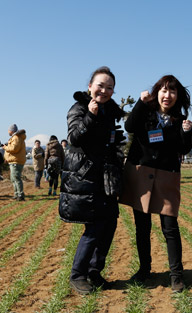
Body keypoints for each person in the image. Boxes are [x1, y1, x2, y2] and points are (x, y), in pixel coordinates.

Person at [119, 75, 192, 292]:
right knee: (142, 227)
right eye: (163, 90)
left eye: (172, 91)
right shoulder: (145, 113)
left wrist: (187, 133)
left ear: (177, 96)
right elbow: (130, 126)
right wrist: (140, 103)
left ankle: (176, 275)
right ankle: (144, 270)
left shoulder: (180, 120)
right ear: (156, 92)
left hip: (167, 176)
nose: (167, 95)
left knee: (170, 227)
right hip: (141, 174)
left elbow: (184, 149)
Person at [59, 66, 125, 295]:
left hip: (105, 177)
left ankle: (95, 271)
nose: (104, 90)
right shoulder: (78, 108)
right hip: (85, 177)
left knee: (110, 224)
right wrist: (90, 115)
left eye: (109, 88)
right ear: (90, 86)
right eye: (100, 85)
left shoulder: (110, 112)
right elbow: (74, 137)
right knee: (94, 227)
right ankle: (78, 275)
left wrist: (115, 141)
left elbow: (104, 143)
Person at [2, 124, 27, 200]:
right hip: (14, 161)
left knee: (16, 178)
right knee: (13, 178)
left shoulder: (16, 138)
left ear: (12, 130)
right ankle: (17, 194)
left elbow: (14, 149)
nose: (8, 131)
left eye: (8, 130)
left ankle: (20, 194)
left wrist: (5, 147)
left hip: (16, 161)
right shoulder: (16, 138)